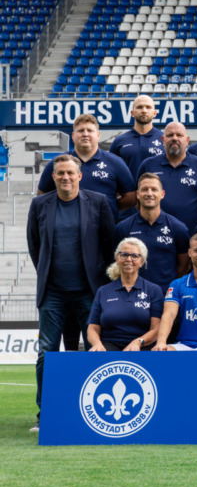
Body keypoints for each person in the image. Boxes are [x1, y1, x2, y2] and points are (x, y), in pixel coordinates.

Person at [27, 154, 117, 429]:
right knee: (47, 353)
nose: (65, 177)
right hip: (53, 293)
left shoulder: (98, 203)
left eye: (70, 172)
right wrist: (47, 275)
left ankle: (91, 413)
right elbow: (35, 245)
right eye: (60, 173)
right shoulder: (40, 204)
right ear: (53, 177)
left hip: (89, 293)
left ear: (80, 176)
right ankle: (47, 415)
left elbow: (108, 242)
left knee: (94, 350)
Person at [37, 113, 134, 217]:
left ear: (98, 135)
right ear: (73, 136)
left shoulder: (115, 162)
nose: (85, 134)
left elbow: (131, 197)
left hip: (104, 229)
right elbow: (42, 196)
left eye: (90, 130)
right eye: (81, 131)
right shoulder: (58, 163)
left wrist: (108, 208)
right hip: (68, 227)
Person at [114, 173, 190, 291]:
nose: (149, 193)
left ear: (162, 194)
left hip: (165, 297)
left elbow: (184, 266)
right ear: (138, 195)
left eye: (154, 189)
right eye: (144, 190)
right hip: (132, 296)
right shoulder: (123, 228)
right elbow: (117, 264)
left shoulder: (178, 228)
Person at [135, 121, 197, 231]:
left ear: (187, 140)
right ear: (163, 140)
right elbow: (138, 200)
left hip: (190, 234)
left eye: (179, 135)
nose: (174, 138)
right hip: (154, 233)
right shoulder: (148, 165)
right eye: (170, 135)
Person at [85, 238, 163, 352]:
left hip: (143, 346)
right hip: (108, 346)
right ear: (116, 258)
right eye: (124, 255)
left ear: (142, 261)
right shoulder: (103, 291)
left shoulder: (154, 290)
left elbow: (156, 329)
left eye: (135, 256)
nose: (129, 259)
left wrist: (138, 342)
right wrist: (97, 344)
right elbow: (92, 328)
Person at [110, 94, 164, 177]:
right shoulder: (119, 141)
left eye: (148, 107)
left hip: (157, 189)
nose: (144, 110)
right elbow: (112, 171)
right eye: (139, 107)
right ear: (132, 113)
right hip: (128, 190)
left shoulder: (164, 139)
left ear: (155, 113)